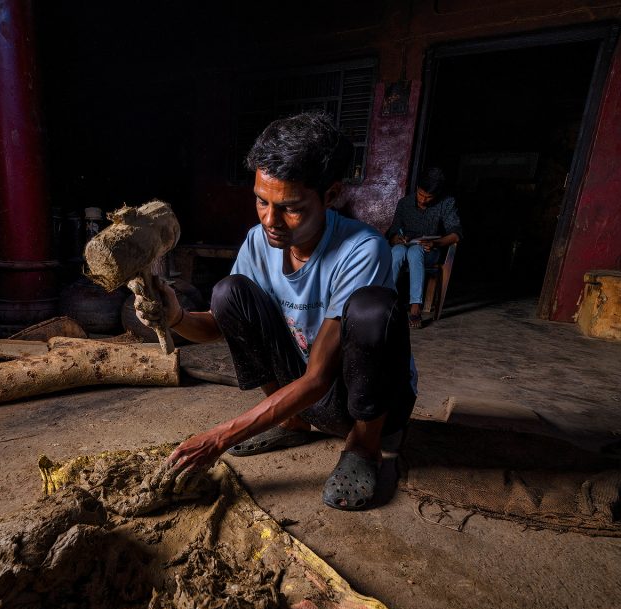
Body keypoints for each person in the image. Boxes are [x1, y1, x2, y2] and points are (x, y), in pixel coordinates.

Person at [136, 112, 417, 510]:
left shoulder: (363, 248)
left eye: (291, 208)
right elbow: (219, 325)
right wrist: (176, 317)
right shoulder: (258, 241)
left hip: (364, 399)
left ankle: (364, 446)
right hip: (305, 395)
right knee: (228, 293)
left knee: (373, 310)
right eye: (261, 200)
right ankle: (292, 421)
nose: (270, 220)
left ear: (331, 195)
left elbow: (319, 377)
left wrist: (219, 437)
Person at [386, 168, 462, 329]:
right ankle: (385, 301)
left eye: (428, 197)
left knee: (415, 251)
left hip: (430, 250)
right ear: (417, 188)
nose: (423, 200)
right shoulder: (404, 203)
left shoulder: (446, 203)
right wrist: (396, 238)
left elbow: (456, 235)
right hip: (405, 246)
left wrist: (436, 243)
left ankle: (415, 307)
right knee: (397, 251)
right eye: (420, 194)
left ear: (437, 195)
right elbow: (393, 232)